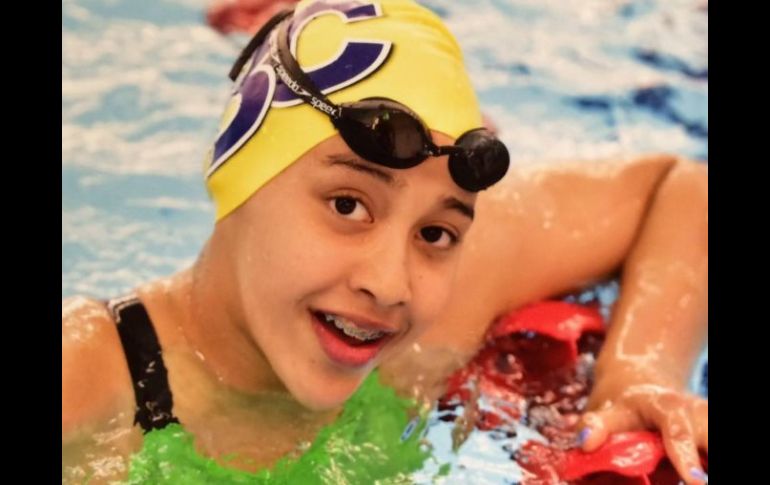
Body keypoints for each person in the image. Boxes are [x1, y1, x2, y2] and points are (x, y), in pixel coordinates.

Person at [62, 0, 708, 483]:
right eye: (347, 205)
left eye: (436, 231)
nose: (390, 283)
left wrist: (637, 369)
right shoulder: (91, 378)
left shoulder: (436, 310)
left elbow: (676, 188)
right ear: (241, 182)